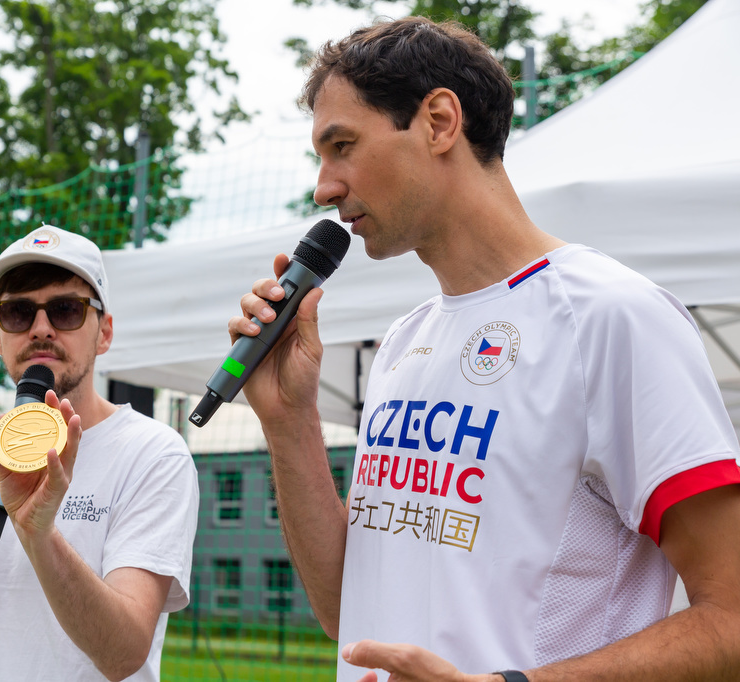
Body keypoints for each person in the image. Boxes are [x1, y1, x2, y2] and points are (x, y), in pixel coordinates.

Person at [228, 16, 740, 682]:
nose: (325, 187)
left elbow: (729, 616)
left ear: (440, 122)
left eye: (343, 145)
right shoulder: (405, 341)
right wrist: (288, 421)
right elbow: (344, 613)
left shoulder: (613, 316)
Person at [0, 224, 199, 681]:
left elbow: (123, 655)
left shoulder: (152, 454)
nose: (40, 329)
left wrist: (39, 533)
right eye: (17, 312)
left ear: (104, 332)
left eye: (66, 310)